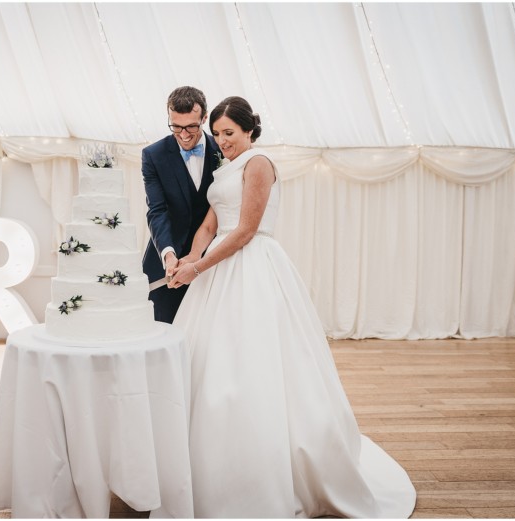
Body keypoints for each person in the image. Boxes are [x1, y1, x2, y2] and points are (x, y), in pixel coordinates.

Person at [168, 96, 417, 518]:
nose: (222, 141)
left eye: (229, 133)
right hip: (215, 267)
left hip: (252, 265)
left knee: (259, 360)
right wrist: (191, 260)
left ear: (250, 130)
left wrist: (201, 266)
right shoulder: (224, 167)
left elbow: (246, 228)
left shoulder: (259, 163)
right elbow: (210, 224)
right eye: (218, 134)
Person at [141, 86, 223, 323]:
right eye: (176, 126)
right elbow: (157, 210)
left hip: (214, 262)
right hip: (168, 267)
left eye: (191, 127)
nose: (184, 134)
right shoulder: (153, 155)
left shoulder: (224, 151)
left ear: (205, 118)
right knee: (165, 334)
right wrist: (168, 254)